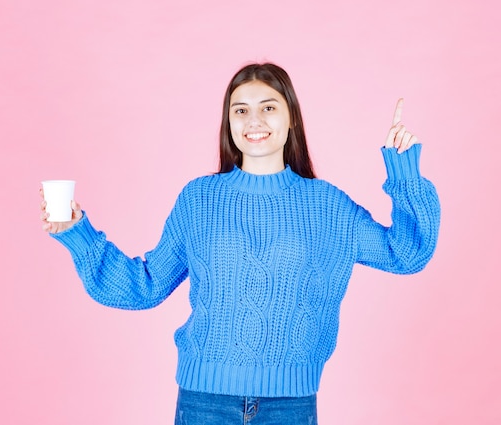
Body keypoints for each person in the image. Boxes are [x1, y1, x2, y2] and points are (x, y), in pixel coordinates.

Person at [40, 63, 440, 425]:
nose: (254, 120)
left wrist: (404, 172)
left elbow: (407, 254)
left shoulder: (328, 205)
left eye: (268, 107)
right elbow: (143, 286)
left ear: (291, 120)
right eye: (241, 109)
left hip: (291, 406)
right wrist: (79, 234)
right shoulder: (199, 199)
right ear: (229, 122)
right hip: (203, 404)